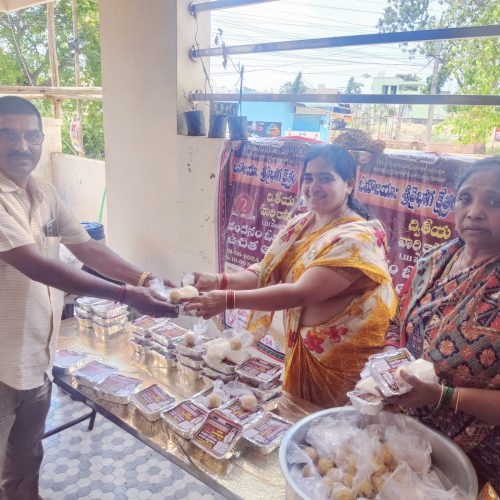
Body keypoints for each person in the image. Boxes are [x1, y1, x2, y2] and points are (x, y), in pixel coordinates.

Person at [0, 96, 177, 500]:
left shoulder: (42, 193)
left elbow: (88, 249)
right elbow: (37, 265)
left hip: (37, 357)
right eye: (7, 134)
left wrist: (147, 278)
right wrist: (126, 294)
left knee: (26, 460)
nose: (21, 146)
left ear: (42, 140)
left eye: (30, 136)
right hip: (0, 365)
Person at [185, 144, 397, 407]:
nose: (313, 186)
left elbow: (301, 293)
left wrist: (227, 299)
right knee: (302, 428)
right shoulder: (303, 223)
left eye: (326, 178)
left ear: (350, 184)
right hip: (304, 351)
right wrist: (218, 280)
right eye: (308, 178)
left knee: (331, 435)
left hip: (340, 363)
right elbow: (268, 271)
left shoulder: (359, 239)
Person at [384, 157, 500, 490]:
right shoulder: (435, 259)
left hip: (482, 460)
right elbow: (397, 322)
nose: (475, 211)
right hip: (411, 438)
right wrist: (390, 364)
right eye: (466, 198)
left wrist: (443, 396)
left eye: (494, 201)